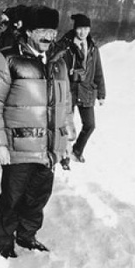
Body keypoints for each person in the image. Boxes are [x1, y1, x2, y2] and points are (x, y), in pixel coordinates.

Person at [0, 5, 75, 258]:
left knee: (38, 198)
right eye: (43, 31)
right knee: (12, 198)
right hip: (18, 146)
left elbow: (65, 104)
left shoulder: (59, 62)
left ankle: (27, 234)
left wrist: (66, 139)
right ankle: (4, 241)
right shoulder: (8, 58)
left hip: (49, 147)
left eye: (53, 31)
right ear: (30, 31)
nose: (49, 37)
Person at [55, 13, 106, 167]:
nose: (82, 32)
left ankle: (77, 150)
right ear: (75, 29)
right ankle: (64, 157)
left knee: (90, 125)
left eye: (85, 28)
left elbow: (98, 71)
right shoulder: (65, 46)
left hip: (86, 91)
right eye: (79, 28)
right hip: (68, 91)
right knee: (64, 126)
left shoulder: (92, 48)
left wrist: (102, 94)